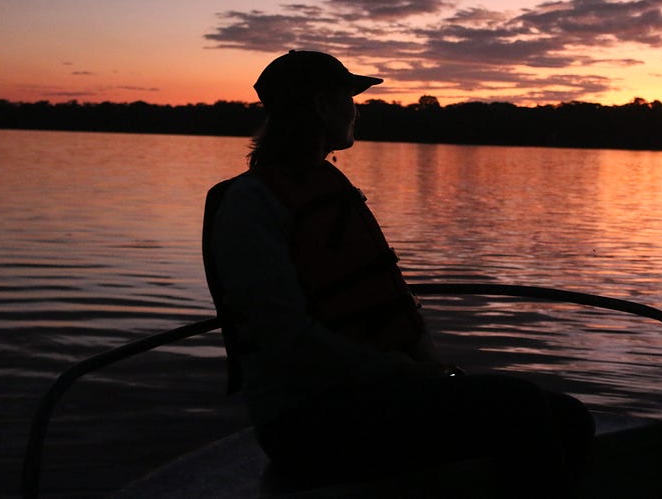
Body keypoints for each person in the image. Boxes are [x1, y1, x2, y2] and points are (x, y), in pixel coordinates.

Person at [202, 50, 594, 494]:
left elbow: (390, 297)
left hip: (373, 395)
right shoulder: (251, 205)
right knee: (517, 405)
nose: (357, 109)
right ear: (322, 106)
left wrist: (425, 366)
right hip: (308, 422)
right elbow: (286, 337)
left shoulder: (327, 186)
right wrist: (401, 372)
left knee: (568, 416)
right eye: (350, 97)